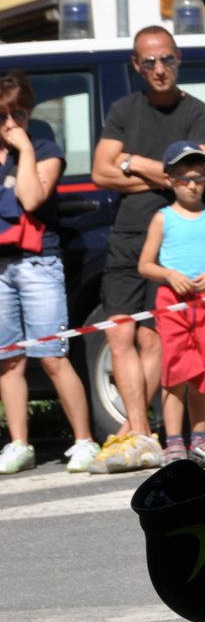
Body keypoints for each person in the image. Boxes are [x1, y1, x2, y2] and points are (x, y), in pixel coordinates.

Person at [89, 25, 205, 474]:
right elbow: (100, 173)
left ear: (178, 59)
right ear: (136, 66)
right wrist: (151, 166)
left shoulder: (198, 112)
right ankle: (141, 430)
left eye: (167, 60)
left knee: (155, 338)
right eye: (150, 62)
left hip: (175, 243)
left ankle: (157, 433)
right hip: (128, 236)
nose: (159, 69)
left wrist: (128, 161)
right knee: (119, 333)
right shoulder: (125, 109)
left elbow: (193, 172)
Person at [0, 72, 99, 474]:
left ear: (29, 112)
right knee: (8, 360)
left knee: (53, 355)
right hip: (2, 265)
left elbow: (31, 197)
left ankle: (84, 441)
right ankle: (20, 444)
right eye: (2, 114)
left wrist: (23, 149)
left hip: (40, 263)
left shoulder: (44, 147)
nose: (10, 123)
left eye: (18, 113)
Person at [137, 142, 205, 468]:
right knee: (175, 374)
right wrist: (170, 274)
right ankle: (173, 443)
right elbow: (145, 265)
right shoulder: (162, 218)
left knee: (203, 374)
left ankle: (200, 438)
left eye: (198, 177)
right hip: (173, 304)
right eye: (184, 178)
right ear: (169, 180)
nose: (193, 184)